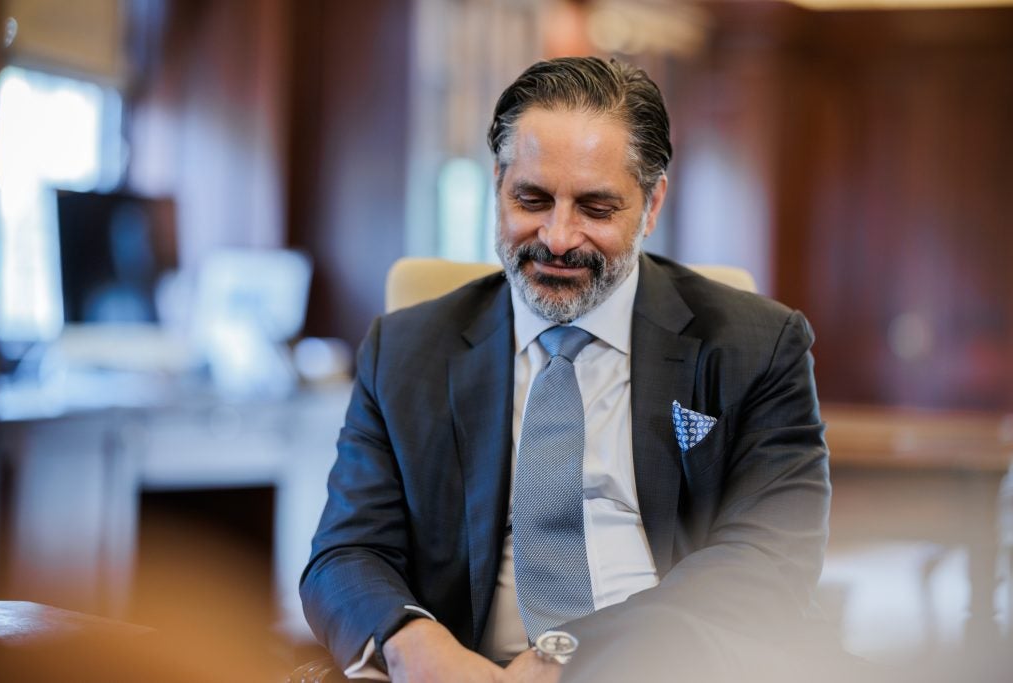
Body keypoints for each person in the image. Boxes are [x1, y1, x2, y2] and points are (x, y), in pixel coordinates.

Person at [300, 56, 831, 683]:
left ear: (652, 203)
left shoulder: (757, 345)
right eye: (532, 198)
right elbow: (346, 553)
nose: (557, 237)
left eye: (596, 208)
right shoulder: (408, 350)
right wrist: (413, 644)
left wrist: (574, 655)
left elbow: (768, 560)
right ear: (497, 182)